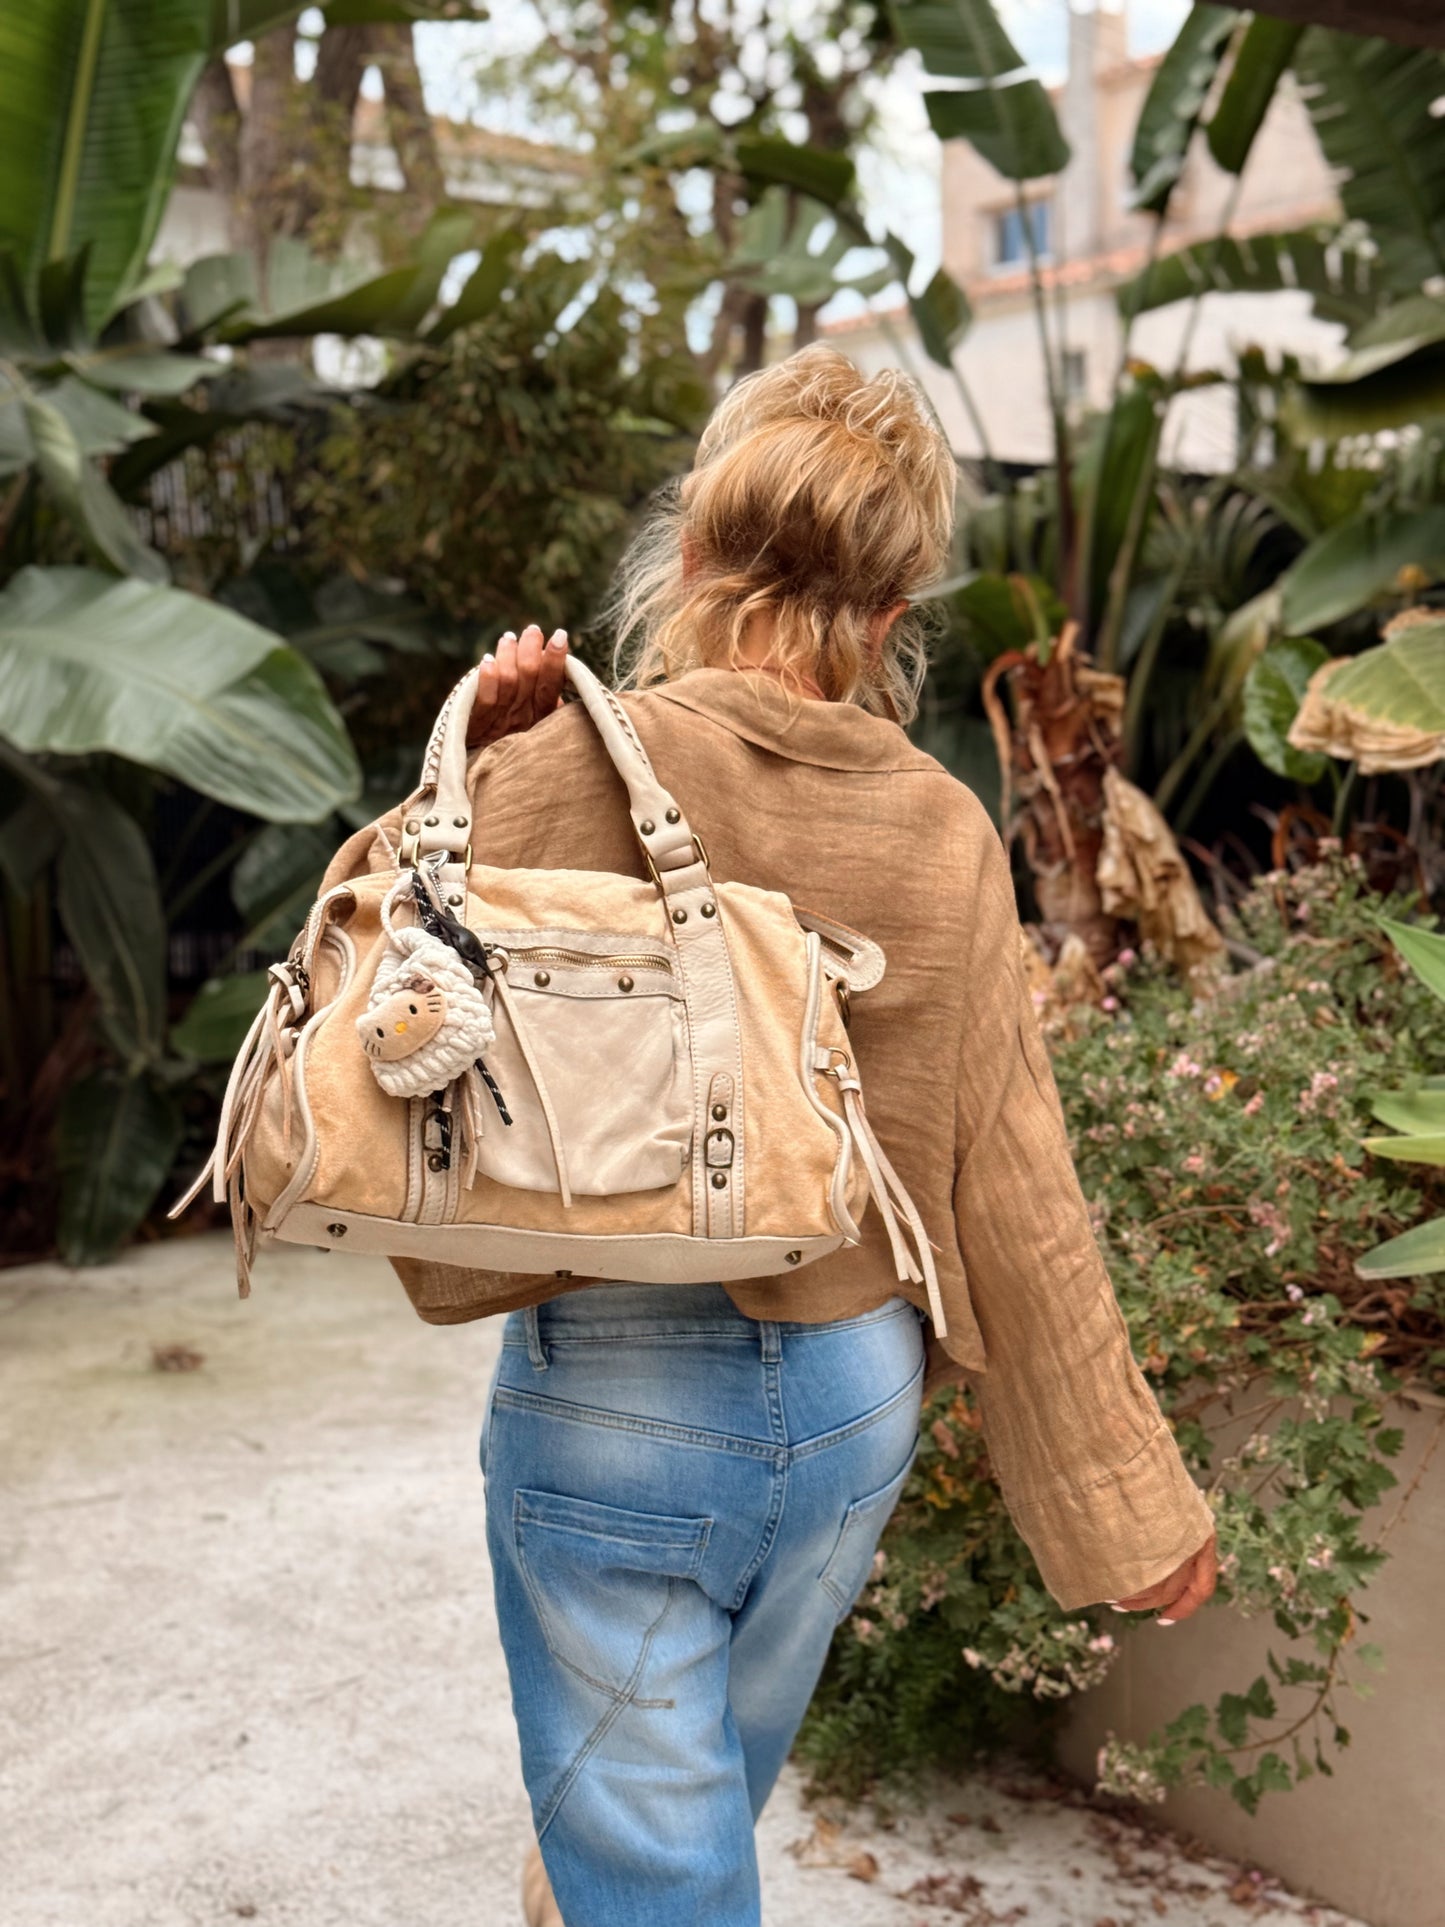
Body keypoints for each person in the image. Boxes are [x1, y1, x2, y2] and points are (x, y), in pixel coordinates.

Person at [385, 348, 1218, 1926]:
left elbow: (381, 985)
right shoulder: (946, 829)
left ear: (691, 559)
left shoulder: (581, 749)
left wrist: (487, 753)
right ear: (893, 618)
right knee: (690, 1801)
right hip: (846, 1414)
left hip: (616, 1399)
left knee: (655, 1851)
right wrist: (1131, 1514)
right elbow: (1015, 1194)